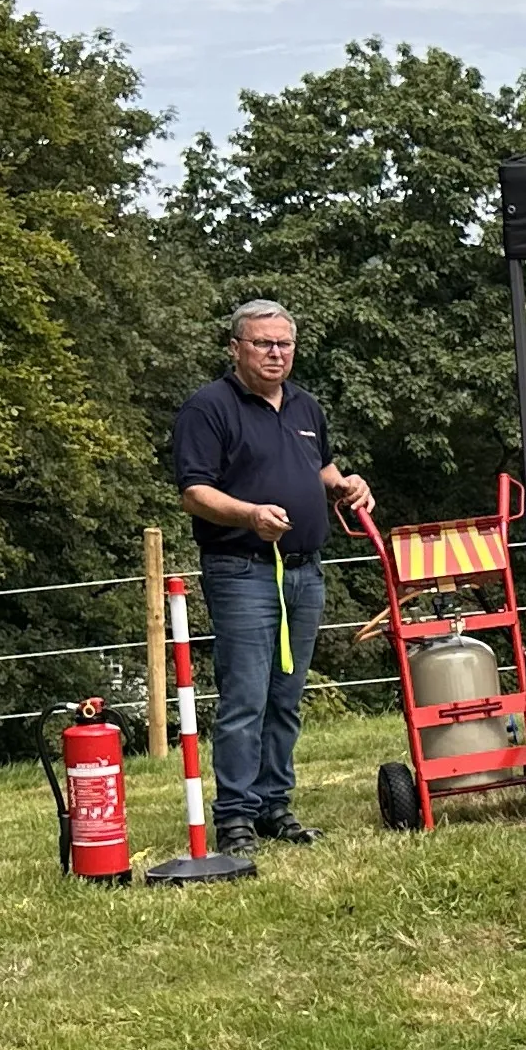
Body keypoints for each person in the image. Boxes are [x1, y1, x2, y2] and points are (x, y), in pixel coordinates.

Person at [171, 300, 372, 846]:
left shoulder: (306, 407)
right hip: (242, 569)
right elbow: (195, 492)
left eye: (284, 343)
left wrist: (346, 485)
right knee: (246, 697)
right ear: (235, 348)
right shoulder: (208, 408)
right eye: (262, 343)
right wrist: (249, 515)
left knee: (286, 696)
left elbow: (321, 467)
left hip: (305, 572)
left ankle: (273, 807)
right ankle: (235, 815)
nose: (275, 353)